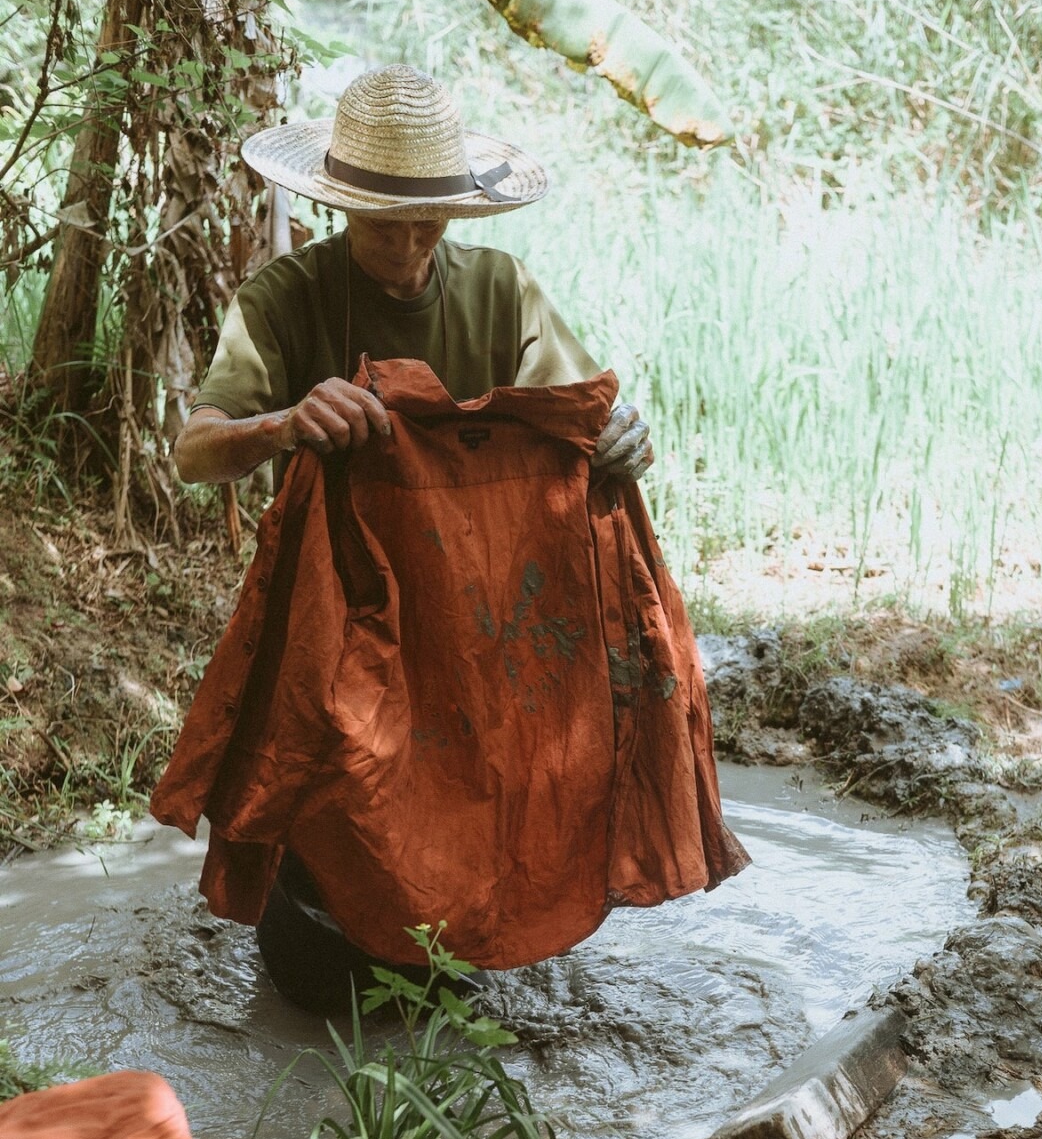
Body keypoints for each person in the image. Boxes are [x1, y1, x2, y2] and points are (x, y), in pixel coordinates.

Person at [169, 66, 686, 1013]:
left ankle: (468, 935)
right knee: (331, 835)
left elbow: (586, 420)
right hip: (338, 621)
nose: (409, 248)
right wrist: (285, 423)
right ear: (341, 207)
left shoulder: (501, 293)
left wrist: (621, 440)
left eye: (429, 223)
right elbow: (195, 450)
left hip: (472, 624)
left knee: (465, 810)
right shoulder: (285, 297)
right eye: (385, 225)